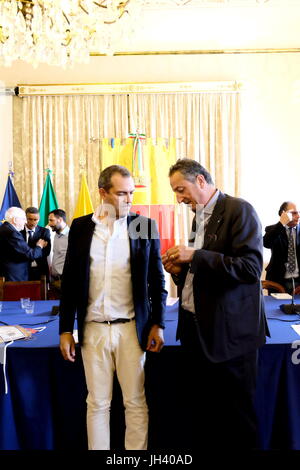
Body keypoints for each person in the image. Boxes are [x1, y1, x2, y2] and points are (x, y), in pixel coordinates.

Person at [59, 164, 167, 450]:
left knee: (135, 402)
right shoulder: (81, 227)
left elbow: (157, 280)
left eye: (131, 193)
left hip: (132, 329)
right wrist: (65, 330)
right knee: (97, 403)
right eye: (121, 193)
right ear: (103, 193)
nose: (129, 199)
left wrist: (159, 323)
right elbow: (69, 282)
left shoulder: (143, 225)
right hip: (92, 330)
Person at [162, 158, 268, 450]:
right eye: (175, 192)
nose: (179, 198)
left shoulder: (239, 210)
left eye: (180, 189)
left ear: (200, 181)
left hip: (230, 337)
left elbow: (249, 269)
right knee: (208, 415)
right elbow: (206, 274)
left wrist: (193, 256)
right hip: (198, 334)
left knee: (237, 417)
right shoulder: (199, 217)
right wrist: (180, 271)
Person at [0, 206, 48, 281]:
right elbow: (30, 254)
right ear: (15, 220)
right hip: (14, 276)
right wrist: (39, 246)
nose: (25, 222)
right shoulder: (12, 233)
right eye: (24, 219)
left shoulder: (4, 228)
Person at [263, 201, 300, 294]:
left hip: (298, 283)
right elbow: (266, 243)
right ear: (283, 213)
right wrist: (281, 224)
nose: (298, 216)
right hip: (278, 281)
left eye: (298, 213)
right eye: (294, 213)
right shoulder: (272, 229)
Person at [20, 207, 51, 281]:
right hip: (22, 269)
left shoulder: (45, 232)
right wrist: (37, 249)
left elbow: (46, 252)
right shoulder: (19, 231)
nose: (32, 222)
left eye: (35, 220)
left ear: (39, 219)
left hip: (40, 269)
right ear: (25, 218)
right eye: (30, 219)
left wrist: (28, 253)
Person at [48, 209, 69, 297]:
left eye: (51, 220)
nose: (49, 224)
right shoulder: (56, 234)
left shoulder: (72, 236)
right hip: (54, 281)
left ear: (60, 220)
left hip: (66, 281)